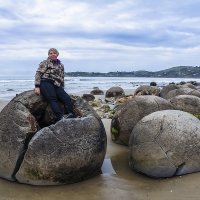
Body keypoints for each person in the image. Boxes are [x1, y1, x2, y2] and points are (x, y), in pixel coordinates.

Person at [34, 48, 76, 122]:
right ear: (48, 55)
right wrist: (37, 87)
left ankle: (71, 115)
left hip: (57, 84)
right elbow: (38, 73)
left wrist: (62, 87)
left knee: (67, 98)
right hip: (46, 82)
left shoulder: (61, 65)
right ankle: (60, 117)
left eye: (54, 53)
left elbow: (62, 77)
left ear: (57, 54)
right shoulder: (45, 62)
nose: (52, 54)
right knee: (53, 99)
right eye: (51, 53)